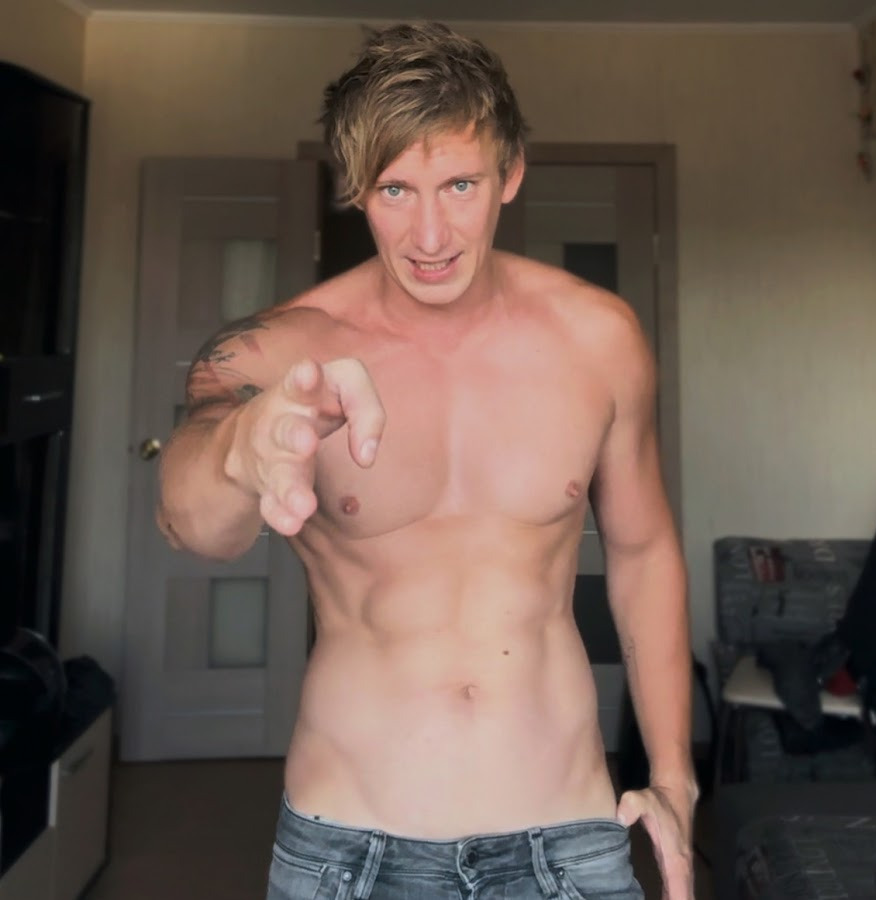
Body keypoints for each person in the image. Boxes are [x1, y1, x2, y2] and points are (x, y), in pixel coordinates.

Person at [157, 21, 697, 900]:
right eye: (396, 190)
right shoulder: (274, 355)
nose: (431, 234)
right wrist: (239, 449)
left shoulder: (599, 339)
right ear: (355, 188)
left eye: (460, 185)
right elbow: (189, 524)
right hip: (349, 848)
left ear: (510, 174)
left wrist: (675, 776)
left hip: (567, 839)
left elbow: (642, 551)